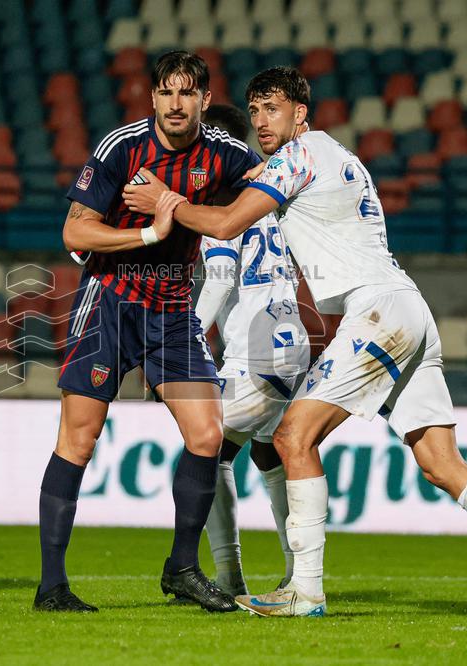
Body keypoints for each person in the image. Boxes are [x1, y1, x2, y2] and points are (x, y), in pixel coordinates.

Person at [122, 67, 467, 621]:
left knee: (292, 436)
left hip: (378, 311)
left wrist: (167, 200)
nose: (262, 120)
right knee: (438, 460)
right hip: (406, 307)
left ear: (301, 114)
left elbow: (228, 224)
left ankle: (304, 589)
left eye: (274, 108)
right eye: (255, 109)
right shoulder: (337, 156)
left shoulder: (299, 156)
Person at [34, 51, 261, 613]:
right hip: (110, 302)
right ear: (152, 97)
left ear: (205, 101)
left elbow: (269, 178)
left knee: (207, 435)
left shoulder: (225, 154)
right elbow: (75, 229)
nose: (175, 104)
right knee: (78, 441)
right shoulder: (122, 148)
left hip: (174, 311)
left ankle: (182, 567)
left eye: (187, 93)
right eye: (166, 92)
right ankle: (52, 586)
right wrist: (150, 235)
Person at [194, 105, 309, 596]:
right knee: (268, 451)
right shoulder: (273, 199)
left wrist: (189, 333)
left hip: (254, 348)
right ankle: (293, 570)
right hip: (292, 339)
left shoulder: (224, 204)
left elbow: (219, 282)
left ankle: (228, 575)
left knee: (206, 451)